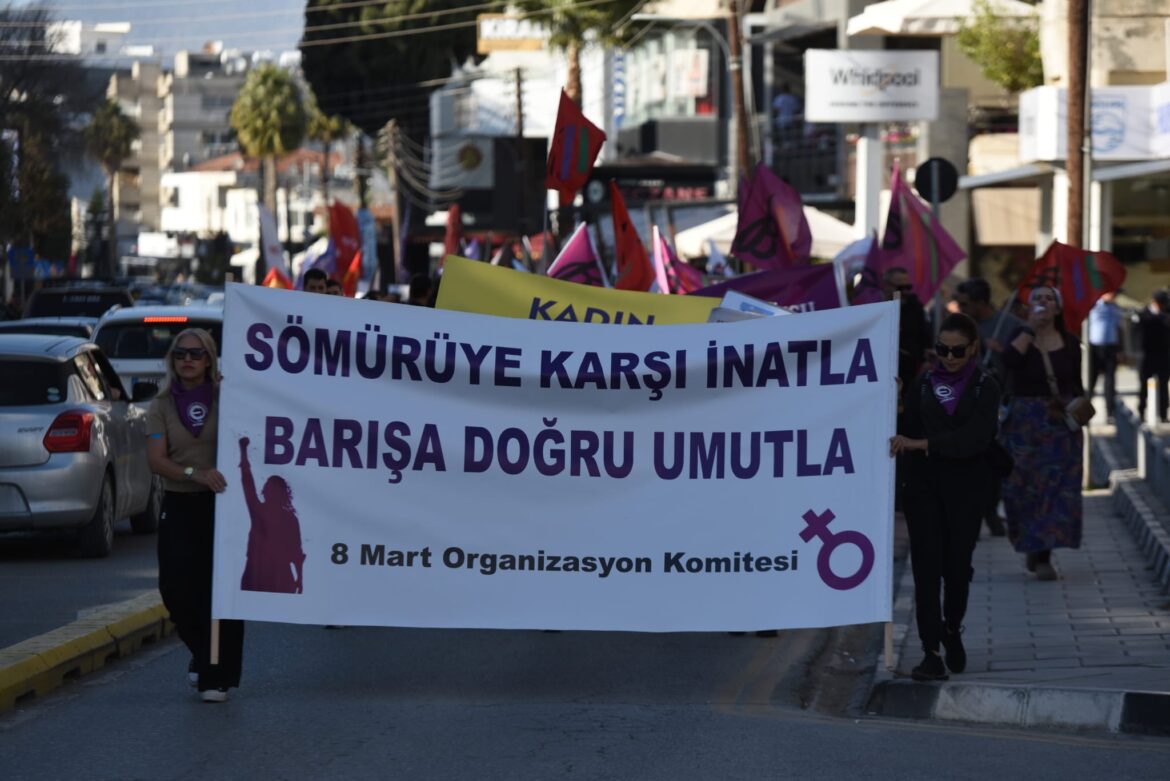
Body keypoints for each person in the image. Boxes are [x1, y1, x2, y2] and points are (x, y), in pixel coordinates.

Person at [890, 312, 1001, 681]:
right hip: (923, 488)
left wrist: (924, 444)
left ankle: (951, 628)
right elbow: (905, 431)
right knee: (926, 571)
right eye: (942, 349)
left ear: (972, 349)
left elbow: (975, 438)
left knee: (956, 571)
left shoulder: (986, 386)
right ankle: (930, 652)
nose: (949, 358)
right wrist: (898, 404)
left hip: (966, 491)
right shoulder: (923, 382)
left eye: (957, 351)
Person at [145, 328, 244, 703]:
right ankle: (204, 656)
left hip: (223, 504)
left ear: (209, 359)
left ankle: (217, 674)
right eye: (181, 353)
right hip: (180, 502)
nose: (188, 359)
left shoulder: (228, 399)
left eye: (196, 354)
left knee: (221, 590)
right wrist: (195, 474)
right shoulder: (161, 405)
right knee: (176, 589)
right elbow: (157, 460)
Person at [1001, 286, 1085, 580]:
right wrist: (1029, 330)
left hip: (1060, 424)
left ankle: (1043, 555)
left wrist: (1080, 413)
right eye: (1038, 298)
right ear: (1028, 307)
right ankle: (1028, 543)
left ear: (1058, 309)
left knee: (1056, 490)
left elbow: (1076, 382)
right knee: (1021, 488)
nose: (1043, 303)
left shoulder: (1071, 343)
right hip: (1025, 424)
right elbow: (1008, 363)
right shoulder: (1019, 337)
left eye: (1050, 299)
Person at [954, 277, 1026, 537]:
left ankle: (992, 510)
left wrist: (1001, 352)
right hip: (966, 403)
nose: (960, 307)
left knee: (995, 460)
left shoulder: (1011, 326)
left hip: (1002, 402)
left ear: (981, 303)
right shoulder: (958, 326)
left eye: (965, 303)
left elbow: (1022, 364)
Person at [239, 436, 305, 594]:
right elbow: (247, 482)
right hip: (257, 573)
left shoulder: (288, 518)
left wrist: (300, 580)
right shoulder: (259, 511)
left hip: (278, 577)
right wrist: (243, 452)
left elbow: (296, 552)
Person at [1131, 290, 1170, 423]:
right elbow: (1135, 333)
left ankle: (1163, 414)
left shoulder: (1167, 315)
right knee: (1143, 387)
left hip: (1163, 356)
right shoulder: (1143, 315)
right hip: (1146, 356)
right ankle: (1142, 412)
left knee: (1163, 386)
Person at [1088, 290, 1124, 422]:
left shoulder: (1116, 309)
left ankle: (1110, 413)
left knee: (1110, 383)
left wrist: (1121, 350)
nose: (1114, 296)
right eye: (1112, 293)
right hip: (1095, 348)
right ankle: (1085, 411)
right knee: (1090, 382)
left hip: (1111, 348)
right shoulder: (1094, 305)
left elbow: (1120, 329)